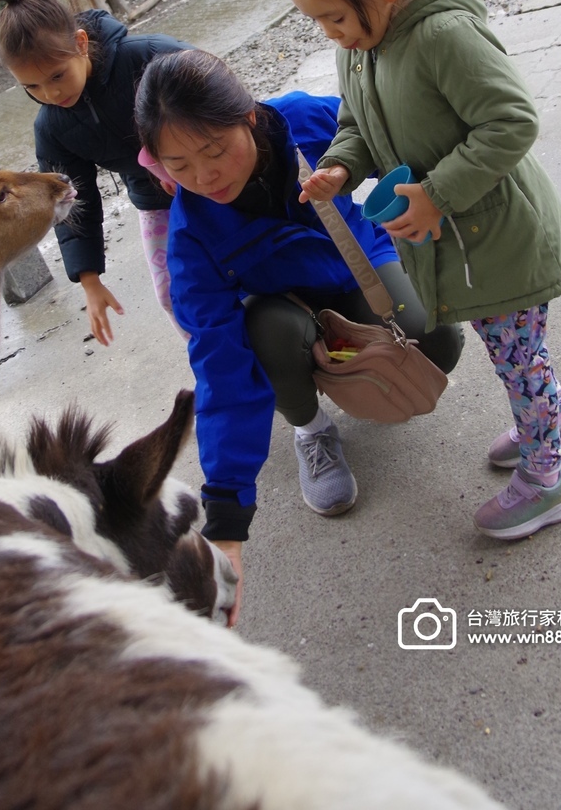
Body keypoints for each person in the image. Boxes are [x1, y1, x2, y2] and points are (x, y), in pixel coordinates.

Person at [284, 0, 561, 544]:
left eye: (334, 18)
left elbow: (512, 121)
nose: (329, 34)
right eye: (316, 22)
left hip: (500, 236)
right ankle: (557, 421)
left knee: (518, 358)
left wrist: (436, 194)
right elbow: (357, 124)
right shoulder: (363, 47)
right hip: (462, 240)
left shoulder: (442, 34)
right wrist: (340, 166)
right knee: (516, 350)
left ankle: (549, 480)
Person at [134, 49, 464, 624]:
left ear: (249, 117)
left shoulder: (305, 121)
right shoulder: (191, 238)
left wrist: (433, 189)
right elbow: (220, 373)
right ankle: (311, 428)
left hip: (358, 265)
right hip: (282, 309)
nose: (204, 178)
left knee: (435, 337)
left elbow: (389, 133)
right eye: (179, 165)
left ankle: (347, 361)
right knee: (262, 333)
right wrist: (226, 522)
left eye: (215, 150)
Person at [0, 0, 193, 344]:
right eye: (31, 86)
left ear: (80, 43)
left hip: (213, 172)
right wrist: (89, 280)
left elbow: (221, 98)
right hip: (155, 200)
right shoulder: (52, 128)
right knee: (172, 294)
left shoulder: (150, 57)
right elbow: (73, 201)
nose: (50, 94)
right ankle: (222, 367)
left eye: (57, 76)